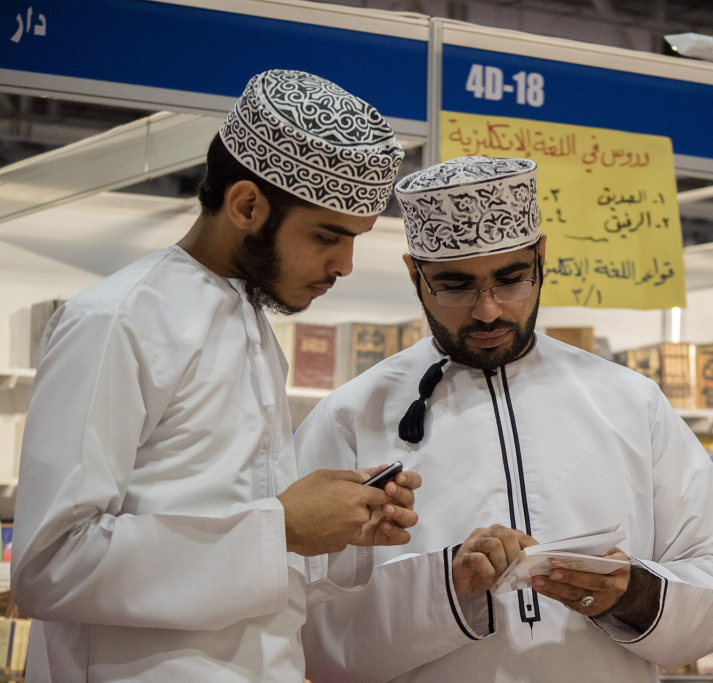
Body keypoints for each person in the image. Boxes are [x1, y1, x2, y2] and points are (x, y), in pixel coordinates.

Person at [11, 69, 421, 683]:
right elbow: (50, 565)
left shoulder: (249, 323)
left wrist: (334, 525)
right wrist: (280, 526)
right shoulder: (117, 320)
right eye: (329, 236)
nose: (345, 265)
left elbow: (241, 555)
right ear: (247, 205)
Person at [295, 156, 713, 683]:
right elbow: (307, 633)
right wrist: (447, 587)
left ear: (541, 256)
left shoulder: (631, 402)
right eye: (457, 286)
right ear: (414, 274)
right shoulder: (352, 416)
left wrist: (631, 593)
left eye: (511, 280)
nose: (488, 311)